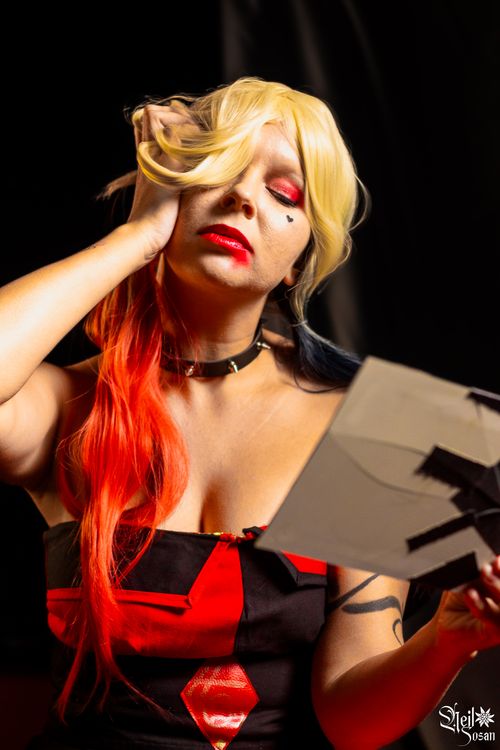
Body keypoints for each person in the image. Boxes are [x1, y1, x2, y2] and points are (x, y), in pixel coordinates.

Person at [0, 76, 498, 750]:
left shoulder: (363, 428)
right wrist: (137, 236)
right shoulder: (69, 406)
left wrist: (446, 641)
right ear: (170, 190)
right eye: (219, 170)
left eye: (283, 193)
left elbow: (351, 723)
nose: (242, 198)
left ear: (297, 263)